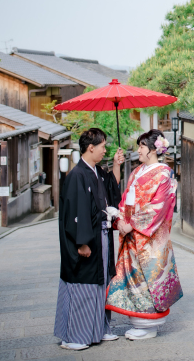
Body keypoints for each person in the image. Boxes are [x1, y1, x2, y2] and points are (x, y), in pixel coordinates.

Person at [105, 129, 183, 340]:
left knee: (147, 279)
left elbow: (158, 207)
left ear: (152, 150)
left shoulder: (164, 174)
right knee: (132, 279)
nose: (138, 150)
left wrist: (132, 225)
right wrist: (120, 219)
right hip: (131, 234)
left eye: (141, 146)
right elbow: (125, 199)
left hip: (149, 238)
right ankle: (138, 320)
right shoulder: (137, 171)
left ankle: (149, 324)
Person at [54, 128, 125, 351]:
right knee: (83, 285)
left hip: (100, 237)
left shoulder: (96, 172)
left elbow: (111, 190)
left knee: (100, 281)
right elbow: (76, 212)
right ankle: (74, 336)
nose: (105, 149)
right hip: (85, 241)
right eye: (103, 146)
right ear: (90, 147)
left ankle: (98, 329)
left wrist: (116, 165)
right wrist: (81, 242)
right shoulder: (77, 175)